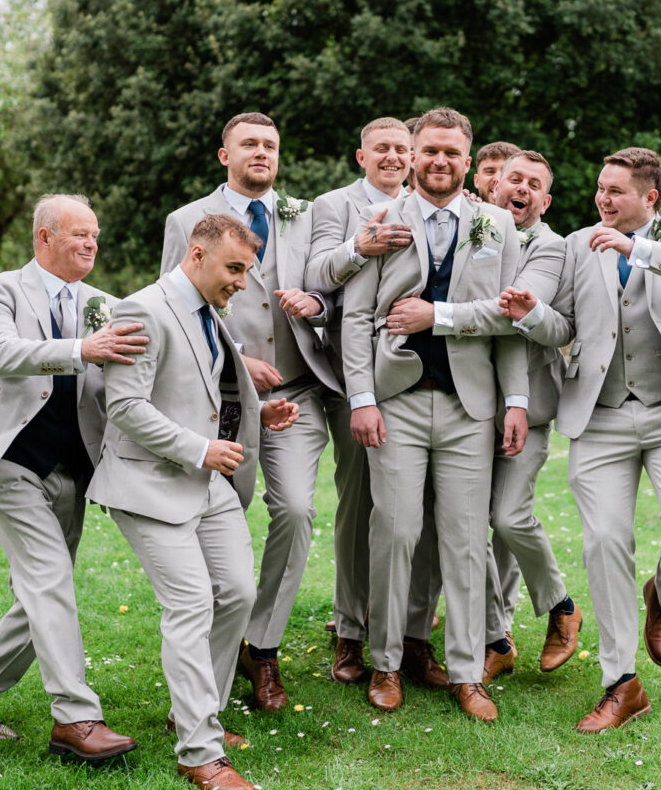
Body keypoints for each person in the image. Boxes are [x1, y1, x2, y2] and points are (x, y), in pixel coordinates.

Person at [503, 147, 661, 732]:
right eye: (600, 189)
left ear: (649, 198)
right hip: (600, 416)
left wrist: (639, 249)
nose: (602, 200)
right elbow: (567, 327)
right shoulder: (578, 244)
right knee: (605, 540)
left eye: (616, 192)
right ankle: (621, 684)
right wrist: (532, 314)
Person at [89, 213, 300, 790]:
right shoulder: (142, 310)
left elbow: (206, 393)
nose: (241, 282)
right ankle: (199, 752)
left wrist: (262, 413)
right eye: (234, 269)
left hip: (207, 483)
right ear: (196, 253)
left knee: (236, 593)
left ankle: (191, 709)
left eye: (246, 271)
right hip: (148, 484)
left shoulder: (209, 310)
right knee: (190, 605)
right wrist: (200, 449)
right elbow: (127, 408)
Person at [342, 107, 528, 721]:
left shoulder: (496, 225)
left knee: (466, 539)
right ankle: (387, 665)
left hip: (470, 405)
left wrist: (517, 402)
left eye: (452, 152)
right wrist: (362, 399)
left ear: (467, 159)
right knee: (394, 532)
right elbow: (356, 315)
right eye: (429, 151)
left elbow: (509, 321)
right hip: (394, 402)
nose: (439, 162)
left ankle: (469, 673)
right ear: (414, 155)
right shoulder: (381, 220)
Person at [0, 194, 147, 762]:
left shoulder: (106, 304)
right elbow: (1, 351)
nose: (90, 244)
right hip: (7, 457)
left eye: (95, 236)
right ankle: (76, 719)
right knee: (50, 580)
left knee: (39, 591)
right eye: (79, 234)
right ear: (44, 238)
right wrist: (82, 348)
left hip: (73, 467)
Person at [159, 112, 336, 713]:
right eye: (249, 144)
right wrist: (236, 361)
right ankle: (214, 644)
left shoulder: (309, 215)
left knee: (295, 509)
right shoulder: (186, 221)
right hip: (221, 401)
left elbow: (338, 293)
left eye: (270, 145)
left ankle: (262, 649)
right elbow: (175, 311)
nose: (261, 152)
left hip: (297, 392)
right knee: (219, 518)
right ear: (224, 155)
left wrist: (317, 306)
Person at [388, 150, 581, 683]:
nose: (517, 188)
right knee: (458, 527)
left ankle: (559, 605)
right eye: (509, 178)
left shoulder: (551, 246)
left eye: (532, 184)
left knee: (507, 518)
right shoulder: (477, 227)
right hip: (463, 400)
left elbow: (517, 314)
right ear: (492, 187)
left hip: (525, 404)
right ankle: (492, 638)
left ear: (545, 199)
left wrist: (436, 314)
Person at [302, 117, 430, 685]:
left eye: (404, 149)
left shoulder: (427, 204)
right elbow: (314, 274)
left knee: (409, 511)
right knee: (358, 506)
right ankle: (350, 631)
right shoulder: (332, 206)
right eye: (383, 149)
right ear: (361, 156)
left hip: (417, 381)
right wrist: (359, 247)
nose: (395, 158)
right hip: (344, 377)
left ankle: (407, 628)